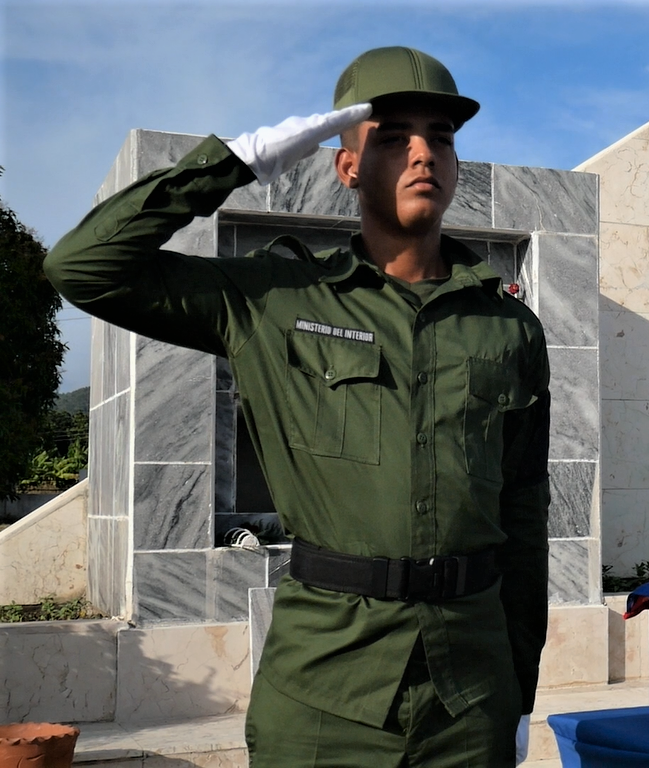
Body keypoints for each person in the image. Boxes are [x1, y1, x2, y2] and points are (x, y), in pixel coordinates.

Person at [45, 47, 551, 766]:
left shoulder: (508, 326)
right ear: (347, 166)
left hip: (470, 696)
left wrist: (519, 691)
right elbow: (82, 268)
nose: (423, 153)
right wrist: (234, 162)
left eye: (440, 135)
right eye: (393, 135)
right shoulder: (276, 298)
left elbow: (525, 517)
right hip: (326, 692)